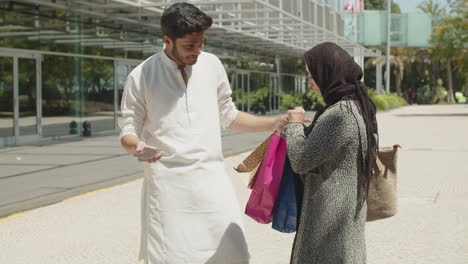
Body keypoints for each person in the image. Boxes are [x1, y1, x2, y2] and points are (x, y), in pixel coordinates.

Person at [118, 3, 287, 264]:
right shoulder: (141, 75)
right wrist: (136, 145)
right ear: (167, 40)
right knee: (170, 258)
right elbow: (128, 129)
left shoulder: (212, 65)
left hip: (212, 179)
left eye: (201, 43)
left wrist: (273, 122)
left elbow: (229, 116)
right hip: (167, 186)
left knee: (234, 254)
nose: (197, 51)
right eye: (189, 46)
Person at [284, 42, 379, 264]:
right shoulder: (356, 106)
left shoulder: (339, 115)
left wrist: (295, 125)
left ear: (327, 73)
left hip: (328, 223)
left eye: (312, 75)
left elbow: (300, 161)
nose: (310, 83)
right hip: (344, 218)